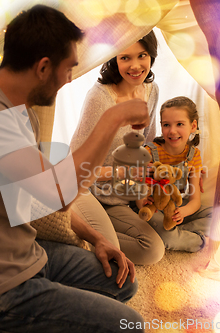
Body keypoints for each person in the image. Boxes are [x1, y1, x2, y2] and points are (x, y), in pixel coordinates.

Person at [0, 5, 150, 333]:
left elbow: (38, 196)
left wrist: (97, 238)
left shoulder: (18, 111)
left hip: (21, 252)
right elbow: (57, 192)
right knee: (129, 325)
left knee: (122, 283)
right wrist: (113, 118)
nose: (69, 78)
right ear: (44, 67)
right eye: (69, 68)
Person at [70, 31, 165, 265]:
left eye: (142, 55)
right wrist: (121, 173)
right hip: (83, 190)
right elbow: (74, 169)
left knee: (154, 250)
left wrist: (152, 178)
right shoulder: (100, 98)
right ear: (114, 59)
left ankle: (84, 236)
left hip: (118, 197)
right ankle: (83, 233)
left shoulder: (152, 91)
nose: (135, 66)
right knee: (111, 251)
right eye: (125, 58)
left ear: (151, 55)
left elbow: (149, 144)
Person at [135, 96, 211, 252]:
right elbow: (139, 193)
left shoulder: (194, 155)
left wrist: (182, 212)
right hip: (153, 209)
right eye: (166, 125)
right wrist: (143, 202)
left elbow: (195, 200)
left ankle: (178, 230)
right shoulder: (150, 152)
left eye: (180, 124)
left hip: (176, 206)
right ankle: (198, 241)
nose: (172, 131)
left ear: (193, 126)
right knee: (166, 237)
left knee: (219, 216)